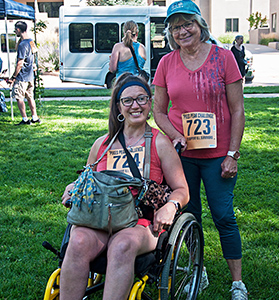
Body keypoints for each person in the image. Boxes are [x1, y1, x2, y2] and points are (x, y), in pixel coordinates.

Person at [60, 73, 189, 300]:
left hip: (140, 221)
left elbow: (182, 189)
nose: (135, 105)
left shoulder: (160, 143)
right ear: (119, 107)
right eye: (127, 100)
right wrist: (72, 187)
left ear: (149, 103)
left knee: (121, 244)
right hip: (100, 218)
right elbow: (86, 179)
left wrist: (171, 205)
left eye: (141, 99)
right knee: (78, 240)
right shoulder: (102, 144)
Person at [152, 1, 248, 299]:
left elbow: (238, 109)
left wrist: (232, 154)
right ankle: (197, 268)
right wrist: (175, 136)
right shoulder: (167, 63)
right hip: (182, 156)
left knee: (223, 216)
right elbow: (158, 111)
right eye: (175, 27)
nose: (182, 31)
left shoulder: (224, 57)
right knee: (188, 214)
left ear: (199, 25)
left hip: (219, 156)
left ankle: (237, 283)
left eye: (187, 24)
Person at [7, 21, 40, 125]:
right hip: (30, 76)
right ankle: (35, 117)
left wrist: (13, 77)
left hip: (22, 77)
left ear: (18, 30)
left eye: (15, 30)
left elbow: (20, 63)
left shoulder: (22, 45)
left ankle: (25, 119)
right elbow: (34, 56)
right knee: (30, 97)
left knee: (19, 97)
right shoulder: (31, 42)